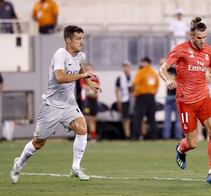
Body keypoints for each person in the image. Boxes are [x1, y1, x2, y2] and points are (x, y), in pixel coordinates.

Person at [9, 25, 101, 183]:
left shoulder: (79, 56)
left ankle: (75, 168)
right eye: (78, 39)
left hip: (69, 103)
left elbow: (80, 68)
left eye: (82, 38)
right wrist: (82, 75)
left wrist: (89, 82)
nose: (82, 42)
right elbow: (59, 77)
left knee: (82, 129)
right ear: (68, 40)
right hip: (52, 105)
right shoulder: (60, 54)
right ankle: (19, 163)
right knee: (38, 143)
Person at [158, 17, 211, 184]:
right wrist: (168, 80)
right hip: (185, 102)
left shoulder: (210, 52)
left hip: (204, 98)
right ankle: (181, 148)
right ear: (190, 35)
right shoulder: (180, 50)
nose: (202, 41)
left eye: (204, 37)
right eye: (199, 38)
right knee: (193, 143)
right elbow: (162, 69)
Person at [132, 57, 159, 140]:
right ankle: (154, 137)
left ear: (146, 63)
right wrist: (153, 93)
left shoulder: (141, 72)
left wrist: (134, 93)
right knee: (152, 118)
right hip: (151, 97)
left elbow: (135, 83)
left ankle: (136, 136)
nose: (141, 64)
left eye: (142, 62)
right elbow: (157, 85)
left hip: (141, 97)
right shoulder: (154, 73)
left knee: (138, 118)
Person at [162, 59, 182, 140]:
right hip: (169, 98)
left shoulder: (179, 71)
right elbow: (162, 65)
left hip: (177, 98)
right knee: (167, 120)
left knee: (178, 121)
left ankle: (178, 136)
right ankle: (166, 137)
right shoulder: (168, 70)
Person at [80, 64, 100, 142]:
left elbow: (97, 88)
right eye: (87, 69)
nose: (89, 71)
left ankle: (93, 137)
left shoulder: (95, 78)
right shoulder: (83, 77)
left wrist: (92, 89)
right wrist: (91, 88)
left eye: (90, 69)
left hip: (94, 101)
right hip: (86, 101)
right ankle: (84, 136)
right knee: (86, 119)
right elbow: (83, 86)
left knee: (93, 119)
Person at [115, 61, 133, 139]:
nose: (126, 68)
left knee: (135, 117)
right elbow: (117, 90)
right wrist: (118, 101)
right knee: (125, 118)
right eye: (124, 67)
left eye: (127, 66)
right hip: (124, 100)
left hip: (133, 100)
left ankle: (136, 134)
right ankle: (127, 135)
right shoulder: (120, 77)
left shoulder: (133, 76)